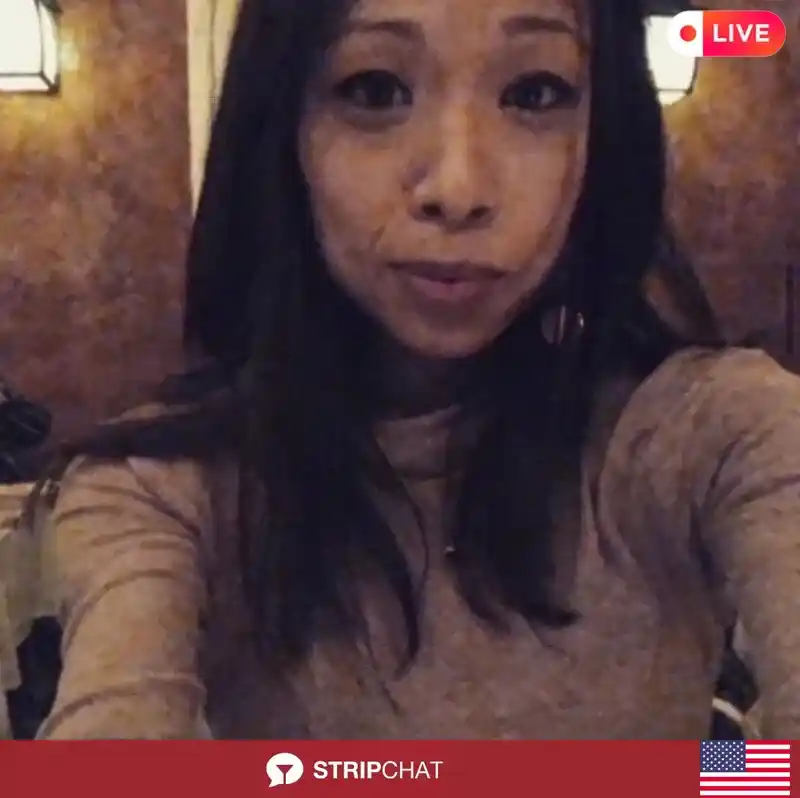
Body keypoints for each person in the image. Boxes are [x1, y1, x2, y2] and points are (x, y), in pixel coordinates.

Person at [31, 0, 800, 739]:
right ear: (284, 130)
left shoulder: (719, 432)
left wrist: (728, 774)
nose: (458, 190)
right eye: (374, 90)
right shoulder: (165, 489)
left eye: (535, 93)